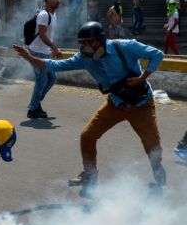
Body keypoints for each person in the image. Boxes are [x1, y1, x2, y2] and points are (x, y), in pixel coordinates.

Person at [13, 21, 166, 195]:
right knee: (87, 136)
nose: (87, 47)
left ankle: (160, 177)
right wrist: (30, 58)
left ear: (101, 39)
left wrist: (142, 77)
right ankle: (90, 174)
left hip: (141, 105)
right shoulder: (84, 59)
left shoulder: (125, 47)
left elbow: (157, 54)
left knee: (153, 148)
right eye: (83, 43)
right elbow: (55, 65)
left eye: (91, 42)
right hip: (115, 103)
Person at [26, 0, 62, 119]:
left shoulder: (53, 15)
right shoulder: (44, 15)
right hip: (36, 52)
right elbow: (42, 35)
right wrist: (54, 48)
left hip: (45, 52)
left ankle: (36, 102)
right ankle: (33, 109)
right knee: (41, 80)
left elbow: (49, 36)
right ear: (47, 0)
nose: (58, 1)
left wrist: (53, 49)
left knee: (52, 78)